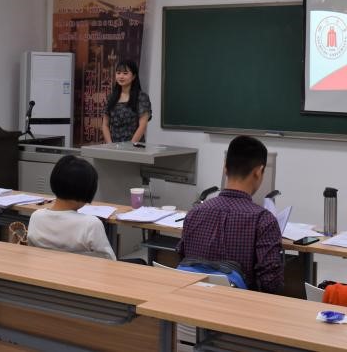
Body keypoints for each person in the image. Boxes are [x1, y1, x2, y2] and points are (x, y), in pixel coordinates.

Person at [177, 135, 283, 293]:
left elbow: (182, 258)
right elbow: (271, 284)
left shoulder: (195, 212)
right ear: (259, 171)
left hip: (191, 299)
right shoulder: (263, 220)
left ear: (225, 167)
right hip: (238, 305)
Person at [27, 155, 116, 260]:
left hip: (45, 269)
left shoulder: (36, 217)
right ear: (88, 191)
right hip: (82, 270)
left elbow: (32, 251)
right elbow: (109, 261)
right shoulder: (91, 224)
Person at [102, 60, 152, 144]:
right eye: (118, 73)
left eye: (125, 73)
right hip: (113, 147)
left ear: (134, 76)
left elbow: (142, 126)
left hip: (134, 147)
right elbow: (105, 125)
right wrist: (110, 145)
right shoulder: (111, 97)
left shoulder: (141, 97)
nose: (121, 76)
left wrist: (130, 146)